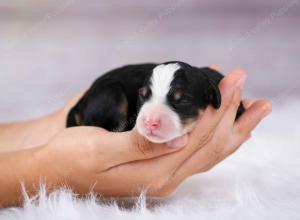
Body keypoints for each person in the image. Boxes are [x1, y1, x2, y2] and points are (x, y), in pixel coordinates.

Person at [0, 68, 272, 208]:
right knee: (113, 99)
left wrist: (50, 129)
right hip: (103, 98)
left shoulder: (208, 85)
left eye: (178, 102)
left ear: (210, 96)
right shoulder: (125, 95)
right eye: (146, 96)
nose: (152, 118)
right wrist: (49, 170)